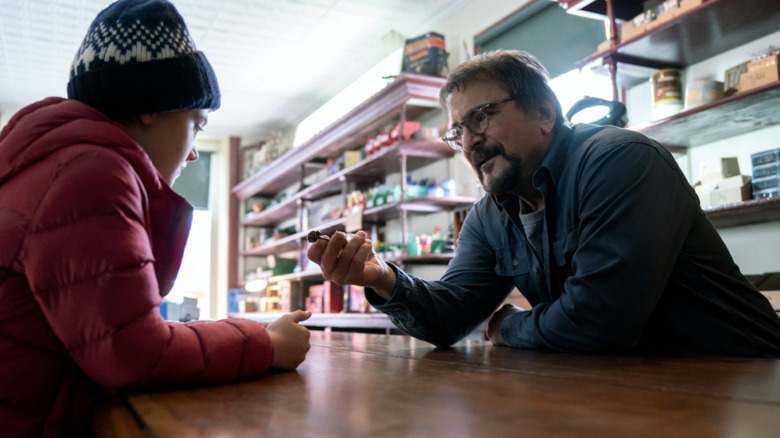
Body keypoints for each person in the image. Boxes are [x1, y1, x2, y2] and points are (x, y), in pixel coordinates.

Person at [308, 49, 780, 357]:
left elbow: (598, 322)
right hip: (634, 391)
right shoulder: (490, 214)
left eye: (480, 117)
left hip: (745, 380)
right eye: (457, 132)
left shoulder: (620, 160)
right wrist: (380, 277)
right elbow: (451, 316)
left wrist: (510, 325)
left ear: (544, 112)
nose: (469, 142)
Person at [0, 1, 311, 436]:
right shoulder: (92, 174)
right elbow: (131, 352)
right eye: (197, 123)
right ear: (152, 105)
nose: (193, 150)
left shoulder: (53, 163)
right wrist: (266, 344)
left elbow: (116, 329)